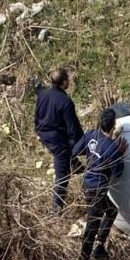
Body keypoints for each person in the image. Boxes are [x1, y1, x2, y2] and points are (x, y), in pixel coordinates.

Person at [72, 108, 127, 260]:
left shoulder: (91, 135)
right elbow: (118, 173)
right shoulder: (112, 148)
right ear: (113, 126)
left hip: (87, 185)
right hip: (96, 190)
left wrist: (88, 161)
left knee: (111, 211)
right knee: (92, 225)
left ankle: (100, 243)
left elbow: (76, 151)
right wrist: (119, 155)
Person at [34, 68, 84, 212]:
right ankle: (56, 209)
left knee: (68, 154)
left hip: (43, 134)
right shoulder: (65, 102)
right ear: (64, 82)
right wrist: (82, 143)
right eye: (68, 79)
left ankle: (78, 167)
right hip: (57, 140)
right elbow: (73, 128)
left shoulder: (43, 94)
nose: (69, 81)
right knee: (62, 174)